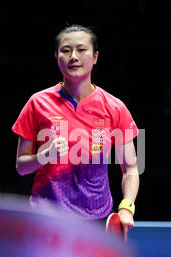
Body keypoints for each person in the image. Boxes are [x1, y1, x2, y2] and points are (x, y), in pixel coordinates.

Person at [12, 25, 139, 239]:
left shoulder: (115, 107)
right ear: (56, 56)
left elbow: (132, 168)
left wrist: (127, 207)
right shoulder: (37, 103)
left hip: (97, 219)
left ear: (95, 56)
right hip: (46, 219)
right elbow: (21, 167)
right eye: (65, 50)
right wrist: (44, 156)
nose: (73, 57)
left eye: (81, 50)